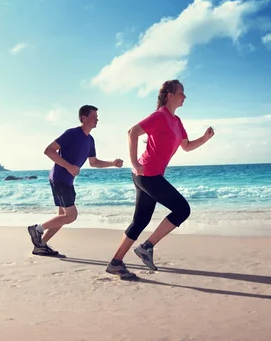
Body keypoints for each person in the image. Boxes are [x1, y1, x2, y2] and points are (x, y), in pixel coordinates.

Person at [106, 80, 215, 279]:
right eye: (181, 92)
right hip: (147, 174)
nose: (185, 96)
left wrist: (205, 138)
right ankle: (146, 247)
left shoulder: (176, 121)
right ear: (169, 95)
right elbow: (132, 132)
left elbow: (187, 146)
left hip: (149, 176)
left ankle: (116, 262)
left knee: (140, 221)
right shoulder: (159, 116)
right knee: (182, 209)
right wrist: (134, 162)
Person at [27, 105, 123, 256]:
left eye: (97, 117)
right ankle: (37, 229)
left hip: (66, 181)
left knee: (62, 217)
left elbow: (94, 162)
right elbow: (49, 150)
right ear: (83, 118)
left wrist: (112, 163)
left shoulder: (90, 140)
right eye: (93, 116)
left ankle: (41, 245)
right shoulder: (71, 133)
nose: (96, 119)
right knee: (71, 216)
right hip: (59, 178)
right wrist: (68, 165)